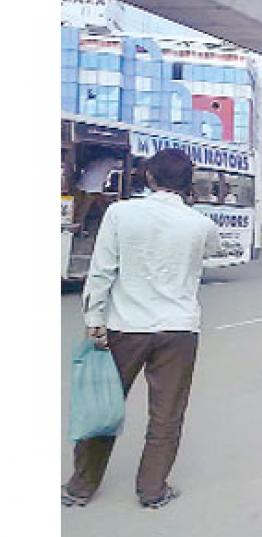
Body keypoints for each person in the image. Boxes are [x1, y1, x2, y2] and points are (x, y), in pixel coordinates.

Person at [64, 149, 220, 510]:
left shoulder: (121, 213)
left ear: (149, 177)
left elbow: (102, 271)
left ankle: (80, 488)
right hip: (179, 330)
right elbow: (212, 252)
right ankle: (152, 490)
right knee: (167, 414)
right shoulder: (199, 224)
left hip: (124, 326)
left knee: (103, 406)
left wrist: (93, 321)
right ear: (187, 183)